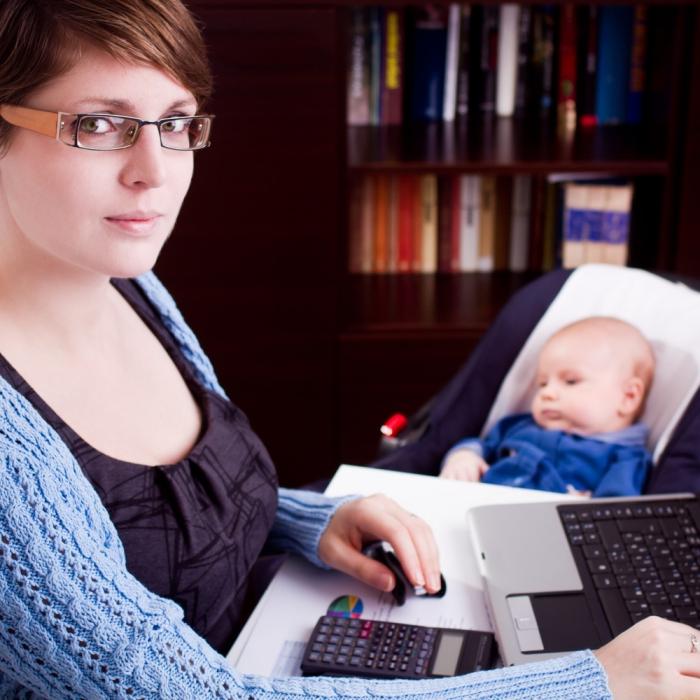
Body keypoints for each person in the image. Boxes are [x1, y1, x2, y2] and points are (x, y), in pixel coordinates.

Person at [0, 2, 698, 698]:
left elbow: (149, 517)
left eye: (177, 122)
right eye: (98, 124)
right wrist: (592, 684)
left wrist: (308, 520)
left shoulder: (132, 282)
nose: (154, 171)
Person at [440, 317, 655, 497]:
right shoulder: (517, 426)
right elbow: (482, 444)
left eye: (571, 381)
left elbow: (617, 511)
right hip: (475, 510)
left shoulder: (624, 458)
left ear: (628, 397)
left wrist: (588, 512)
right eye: (542, 384)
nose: (547, 393)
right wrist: (465, 456)